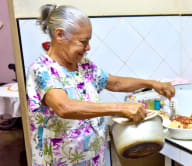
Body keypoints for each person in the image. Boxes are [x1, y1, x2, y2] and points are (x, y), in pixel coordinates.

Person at [26, 4, 175, 166]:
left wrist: (152, 83)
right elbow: (64, 107)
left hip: (93, 159)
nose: (88, 47)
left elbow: (115, 83)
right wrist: (121, 107)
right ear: (60, 35)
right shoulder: (42, 69)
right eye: (83, 41)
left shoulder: (83, 65)